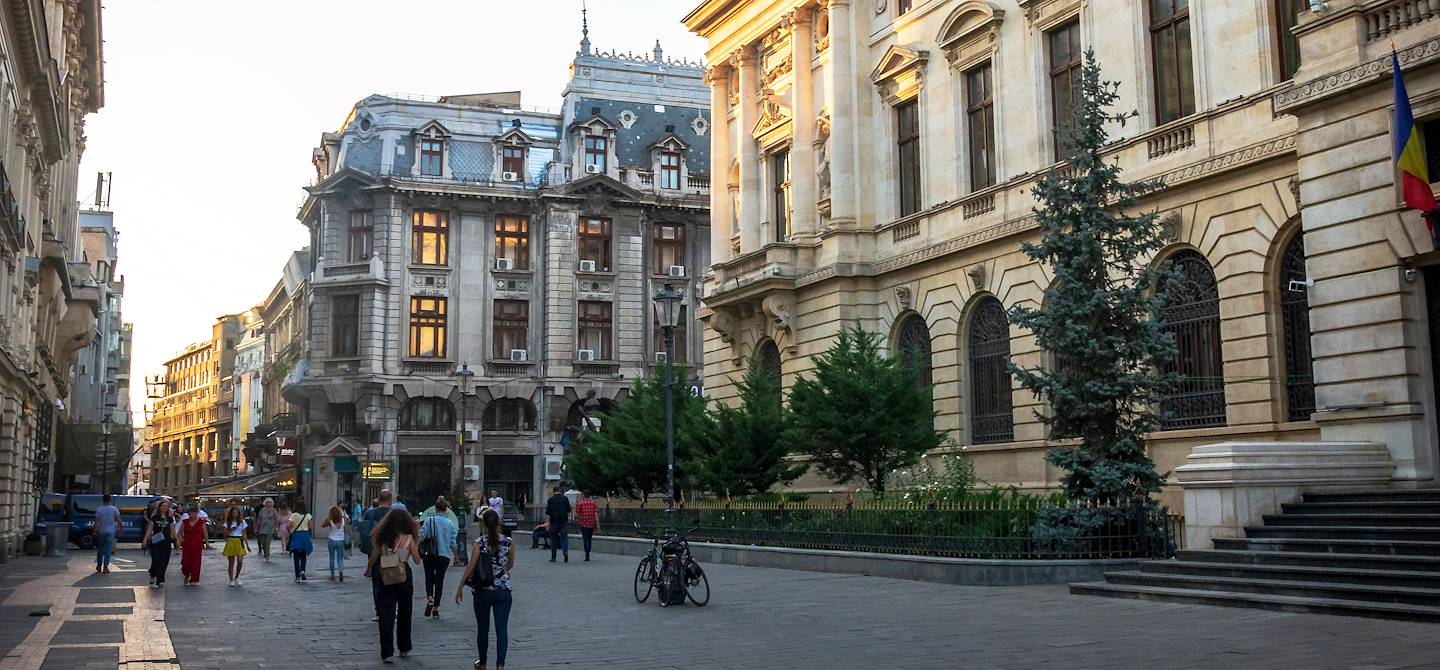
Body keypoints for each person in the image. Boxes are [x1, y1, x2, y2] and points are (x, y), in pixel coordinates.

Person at [456, 508, 514, 670]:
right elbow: (509, 565)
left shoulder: (479, 542)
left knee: (483, 628)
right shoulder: (509, 541)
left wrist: (460, 587)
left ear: (483, 524)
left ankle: (482, 663)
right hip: (503, 591)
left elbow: (470, 567)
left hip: (483, 591)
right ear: (498, 522)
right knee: (502, 629)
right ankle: (500, 665)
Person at [365, 507, 420, 663]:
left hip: (385, 575)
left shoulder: (383, 537)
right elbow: (417, 560)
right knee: (405, 612)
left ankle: (387, 652)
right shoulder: (409, 538)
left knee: (386, 614)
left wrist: (369, 568)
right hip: (403, 576)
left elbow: (374, 555)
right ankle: (404, 647)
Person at [419, 498, 458, 620]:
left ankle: (430, 599)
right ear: (446, 509)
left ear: (435, 509)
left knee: (429, 577)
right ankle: (436, 609)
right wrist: (456, 556)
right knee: (439, 580)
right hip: (444, 555)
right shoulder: (450, 523)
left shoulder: (429, 520)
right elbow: (453, 542)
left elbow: (422, 535)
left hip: (430, 553)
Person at [143, 499, 176, 587]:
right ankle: (153, 574)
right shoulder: (155, 518)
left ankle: (160, 579)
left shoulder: (169, 519)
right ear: (160, 507)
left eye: (166, 506)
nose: (165, 508)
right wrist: (145, 540)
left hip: (166, 543)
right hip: (156, 542)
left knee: (164, 561)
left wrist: (177, 539)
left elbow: (173, 530)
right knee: (156, 560)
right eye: (163, 506)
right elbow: (150, 529)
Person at [178, 503, 208, 586]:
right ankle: (187, 574)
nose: (192, 515)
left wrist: (207, 543)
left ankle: (194, 579)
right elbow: (180, 533)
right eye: (190, 513)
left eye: (194, 513)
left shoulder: (201, 522)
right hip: (187, 544)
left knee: (196, 562)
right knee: (185, 562)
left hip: (197, 544)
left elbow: (205, 533)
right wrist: (181, 539)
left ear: (196, 513)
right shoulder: (185, 522)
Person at [222, 505, 249, 587]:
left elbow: (244, 534)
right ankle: (231, 579)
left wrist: (247, 545)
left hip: (239, 541)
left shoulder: (242, 522)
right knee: (231, 562)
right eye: (233, 513)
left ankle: (237, 576)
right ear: (231, 514)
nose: (235, 515)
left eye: (236, 513)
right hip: (231, 540)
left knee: (240, 561)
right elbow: (224, 534)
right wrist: (230, 529)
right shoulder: (228, 522)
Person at [287, 503, 315, 582]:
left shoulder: (293, 515)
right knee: (303, 554)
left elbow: (287, 526)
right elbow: (311, 527)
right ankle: (302, 570)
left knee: (296, 556)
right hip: (305, 535)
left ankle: (297, 577)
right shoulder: (308, 515)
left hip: (296, 536)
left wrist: (291, 532)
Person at [321, 505, 348, 582]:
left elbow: (322, 525)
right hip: (341, 540)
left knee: (332, 558)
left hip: (332, 540)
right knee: (340, 558)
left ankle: (332, 575)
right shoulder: (343, 520)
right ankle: (341, 572)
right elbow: (346, 526)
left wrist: (328, 518)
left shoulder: (330, 520)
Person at [94, 494, 120, 574]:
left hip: (102, 531)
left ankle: (99, 566)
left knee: (100, 550)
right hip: (111, 532)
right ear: (110, 500)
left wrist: (95, 530)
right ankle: (105, 567)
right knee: (108, 550)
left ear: (103, 500)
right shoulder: (114, 509)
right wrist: (121, 528)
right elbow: (119, 520)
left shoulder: (99, 509)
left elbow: (96, 521)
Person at [544, 486, 571, 563]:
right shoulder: (565, 499)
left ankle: (553, 557)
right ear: (560, 491)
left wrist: (547, 523)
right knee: (564, 539)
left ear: (553, 491)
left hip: (553, 522)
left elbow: (547, 513)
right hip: (563, 521)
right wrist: (567, 518)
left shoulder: (550, 500)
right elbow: (569, 510)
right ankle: (565, 552)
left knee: (553, 540)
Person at [574, 490, 600, 561]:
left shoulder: (580, 503)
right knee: (589, 538)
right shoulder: (593, 503)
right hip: (591, 524)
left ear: (584, 495)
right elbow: (596, 514)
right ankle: (588, 550)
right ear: (589, 495)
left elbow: (577, 514)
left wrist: (576, 519)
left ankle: (587, 552)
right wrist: (598, 525)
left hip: (583, 524)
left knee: (585, 539)